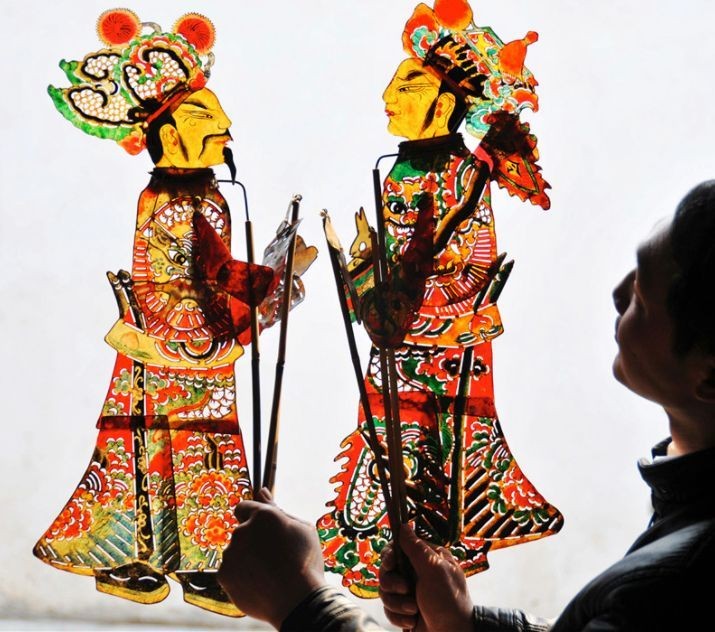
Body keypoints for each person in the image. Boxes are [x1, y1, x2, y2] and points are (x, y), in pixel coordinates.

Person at [218, 180, 715, 630]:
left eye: (642, 295)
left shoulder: (674, 584)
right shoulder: (685, 518)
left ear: (710, 374)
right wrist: (463, 624)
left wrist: (304, 604)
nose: (617, 293)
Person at [33, 10, 318, 617]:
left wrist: (265, 279)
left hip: (200, 346)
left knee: (205, 458)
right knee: (156, 457)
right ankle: (141, 557)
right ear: (166, 137)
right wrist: (263, 286)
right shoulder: (165, 202)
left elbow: (215, 272)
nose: (224, 126)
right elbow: (184, 281)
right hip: (175, 347)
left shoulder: (209, 196)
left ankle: (208, 562)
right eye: (201, 118)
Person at [317, 1, 561, 599]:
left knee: (441, 445)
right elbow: (395, 251)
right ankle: (378, 544)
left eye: (407, 86)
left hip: (446, 333)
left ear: (446, 104)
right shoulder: (397, 171)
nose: (388, 97)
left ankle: (443, 552)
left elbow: (464, 259)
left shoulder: (465, 174)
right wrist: (367, 274)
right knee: (385, 435)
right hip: (396, 331)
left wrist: (403, 291)